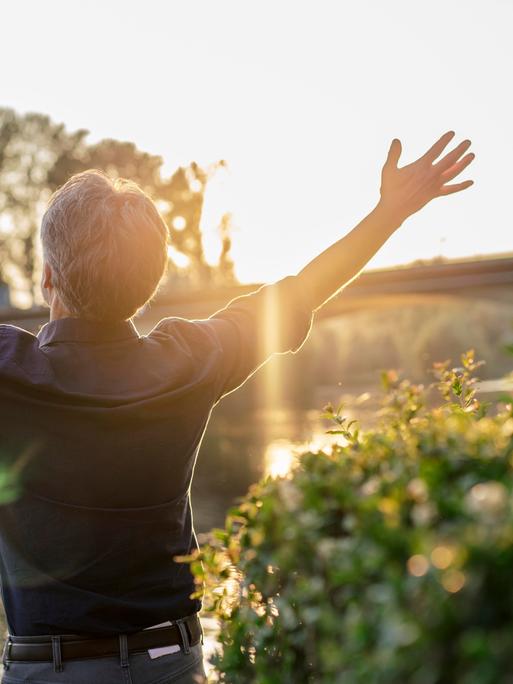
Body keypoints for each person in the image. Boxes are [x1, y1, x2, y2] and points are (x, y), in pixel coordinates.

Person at [0, 132, 474, 683]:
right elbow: (301, 292)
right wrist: (389, 213)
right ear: (148, 286)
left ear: (47, 278)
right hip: (172, 664)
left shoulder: (11, 372)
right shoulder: (186, 362)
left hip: (51, 672)